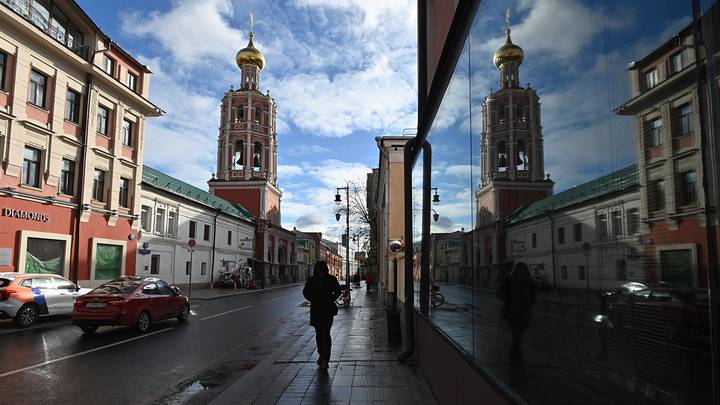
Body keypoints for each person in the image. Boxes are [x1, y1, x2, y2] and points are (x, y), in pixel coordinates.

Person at [303, 260, 341, 371]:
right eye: (319, 271)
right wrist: (312, 298)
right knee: (319, 334)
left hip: (328, 311)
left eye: (323, 271)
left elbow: (338, 291)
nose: (321, 273)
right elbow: (305, 292)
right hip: (316, 311)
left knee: (326, 334)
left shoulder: (331, 279)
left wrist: (331, 299)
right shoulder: (312, 280)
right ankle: (321, 355)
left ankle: (325, 359)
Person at [499, 262, 536, 368]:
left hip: (513, 312)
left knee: (516, 334)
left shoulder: (511, 281)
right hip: (523, 313)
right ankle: (516, 355)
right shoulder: (528, 282)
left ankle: (515, 355)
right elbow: (533, 298)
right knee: (518, 335)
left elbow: (502, 295)